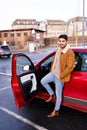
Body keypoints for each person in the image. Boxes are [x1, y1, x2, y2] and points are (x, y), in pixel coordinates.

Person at [41, 34, 75, 118]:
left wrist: (61, 76)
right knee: (43, 81)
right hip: (53, 73)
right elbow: (55, 61)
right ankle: (52, 95)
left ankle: (56, 110)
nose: (61, 43)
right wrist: (52, 69)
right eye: (60, 41)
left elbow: (70, 67)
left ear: (66, 42)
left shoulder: (70, 52)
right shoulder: (59, 49)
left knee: (59, 94)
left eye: (63, 41)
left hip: (60, 76)